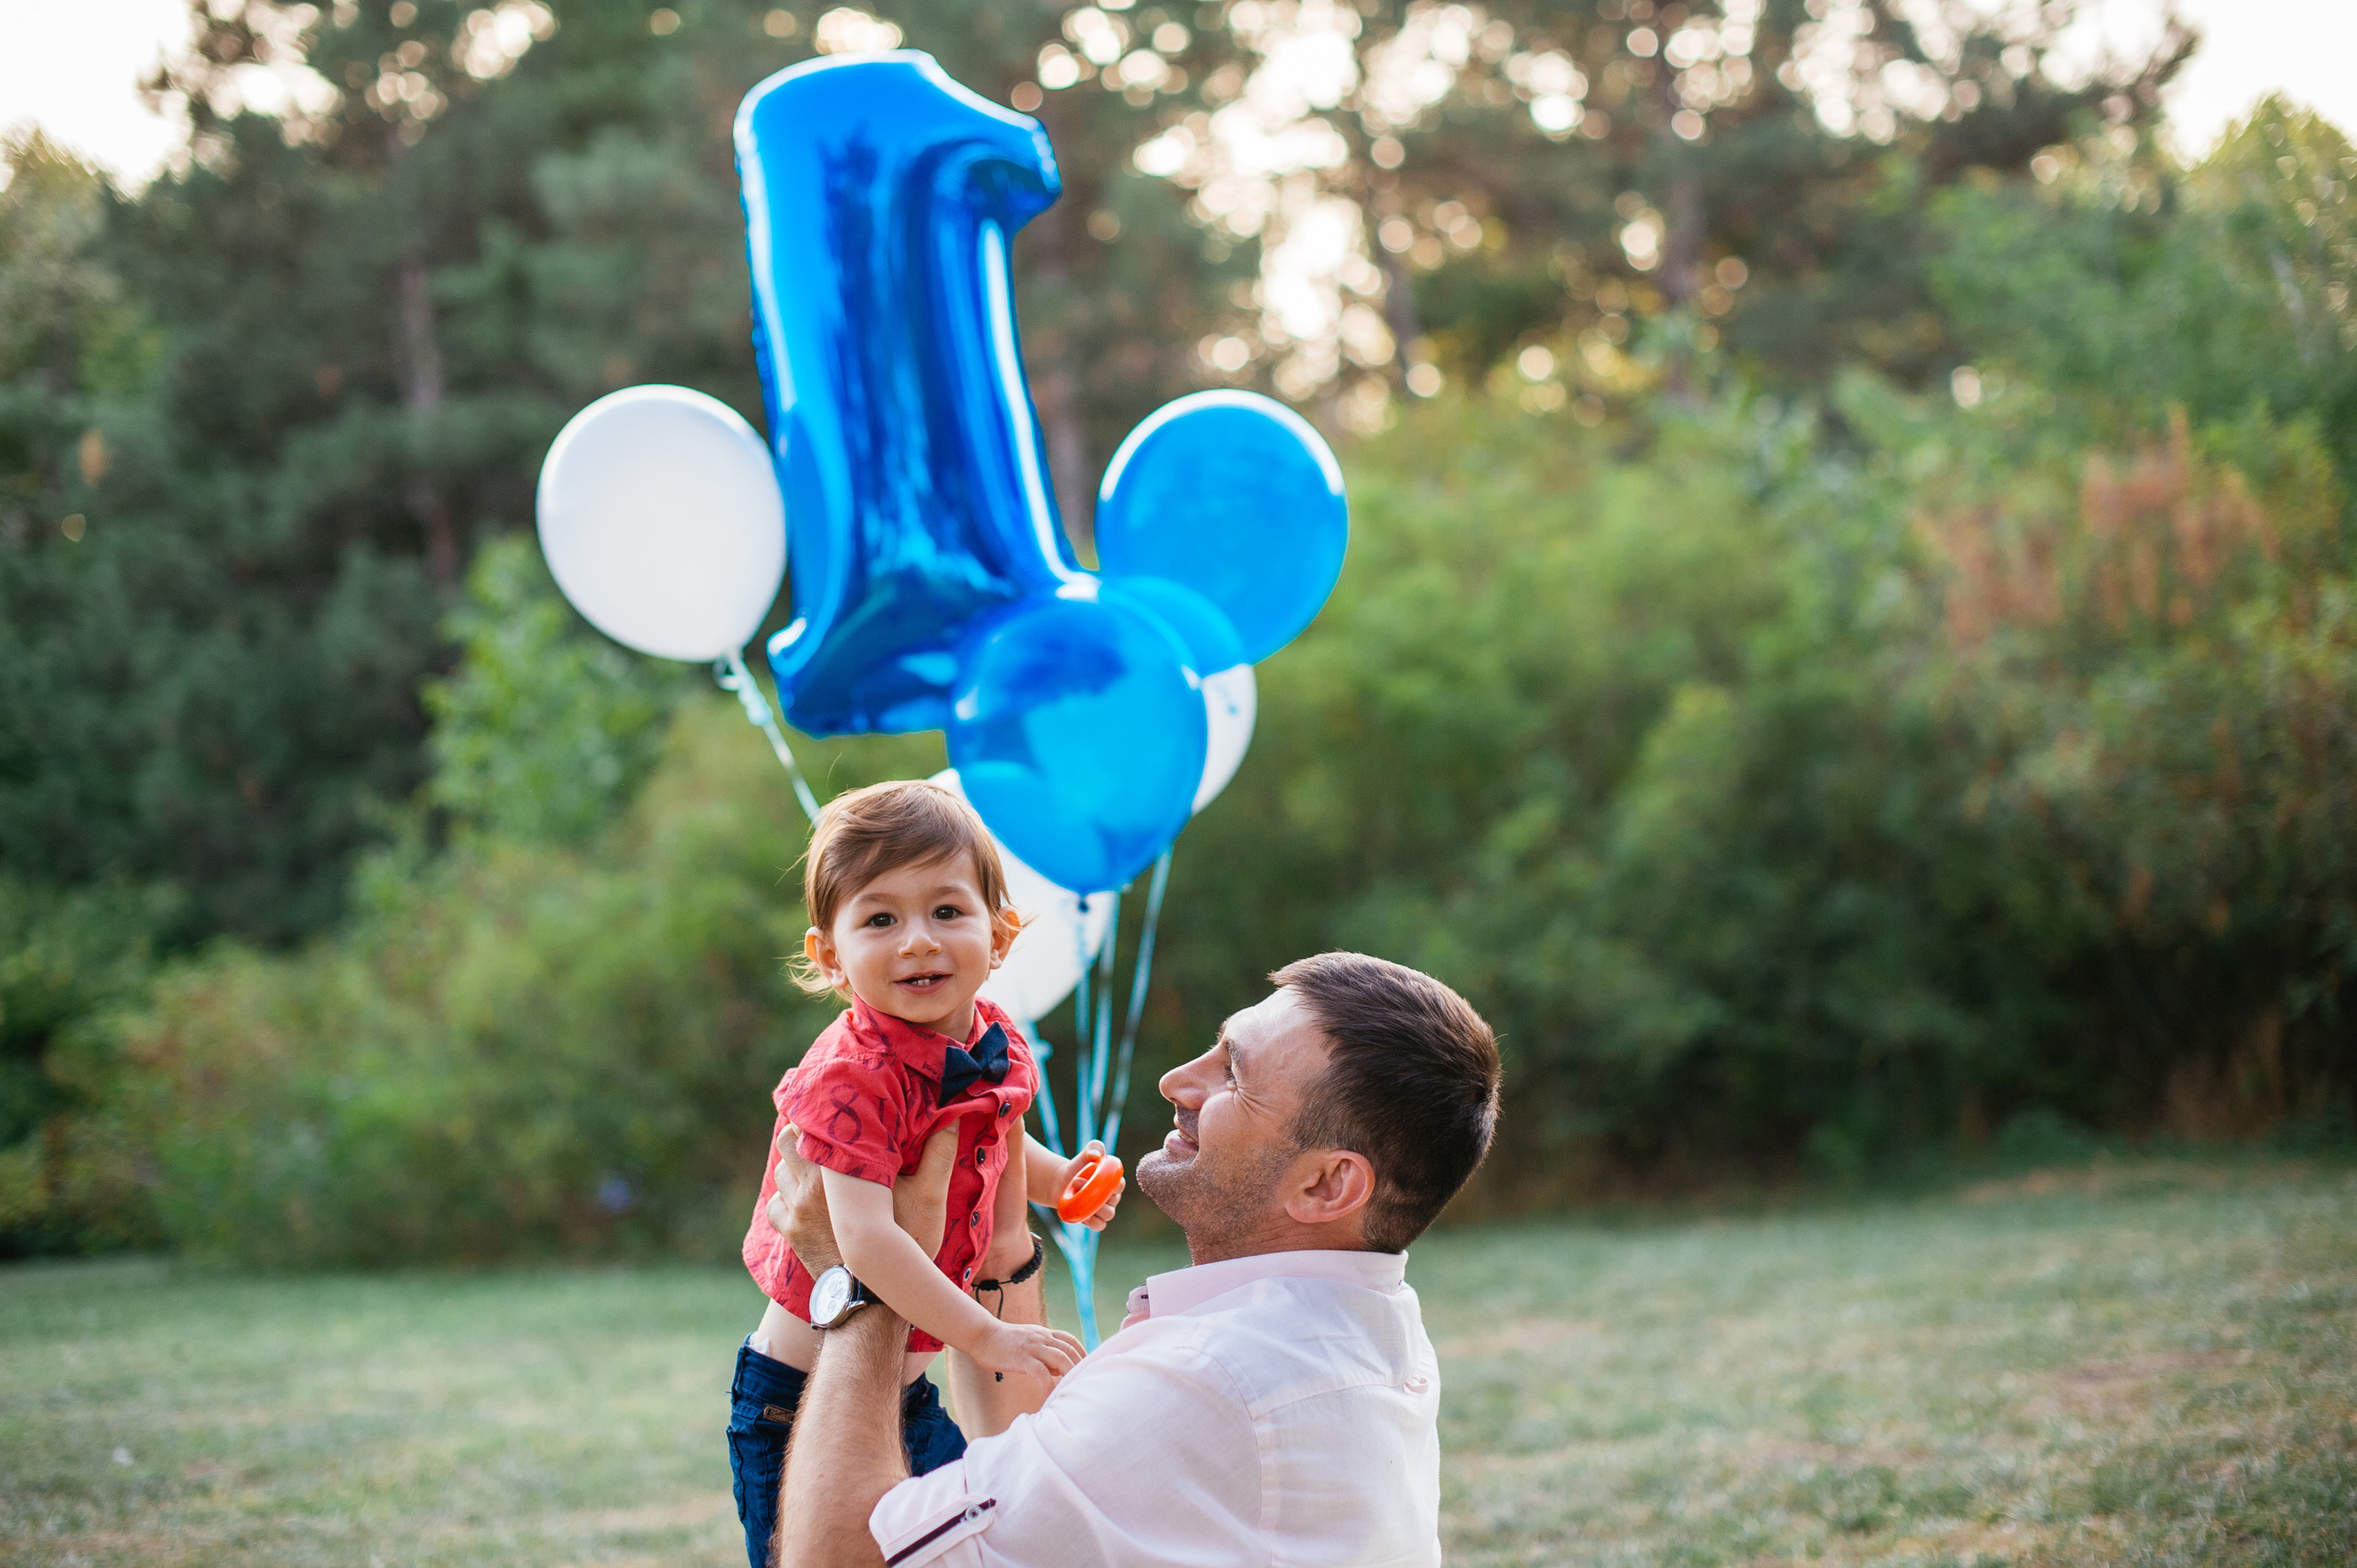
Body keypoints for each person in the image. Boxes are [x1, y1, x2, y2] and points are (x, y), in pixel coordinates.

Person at [762, 950, 1502, 1568]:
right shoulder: (1351, 1332)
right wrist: (999, 1229)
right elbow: (1030, 1488)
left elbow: (839, 1557)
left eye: (1232, 1076)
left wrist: (861, 1280)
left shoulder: (1206, 1379)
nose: (1176, 1080)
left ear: (1326, 1183)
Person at [730, 781, 1123, 1568]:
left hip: (903, 1388)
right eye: (881, 918)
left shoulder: (990, 1036)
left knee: (955, 1549)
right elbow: (864, 1242)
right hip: (802, 1398)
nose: (918, 940)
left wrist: (1058, 1183)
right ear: (830, 954)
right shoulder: (851, 1077)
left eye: (947, 911)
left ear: (1000, 934)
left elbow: (998, 1138)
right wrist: (985, 1334)